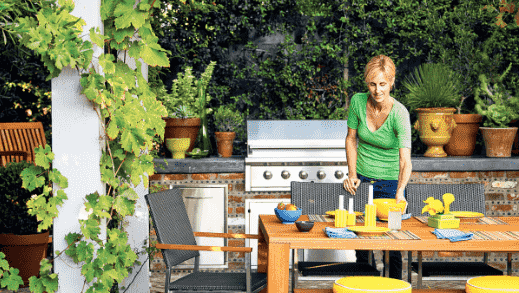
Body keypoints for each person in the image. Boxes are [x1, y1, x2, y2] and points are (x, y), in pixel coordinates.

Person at [343, 55, 412, 279]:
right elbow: (351, 138)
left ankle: (394, 286)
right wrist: (352, 173)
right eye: (372, 84)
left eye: (382, 84)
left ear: (391, 82)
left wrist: (400, 192)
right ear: (367, 83)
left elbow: (405, 160)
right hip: (362, 181)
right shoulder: (357, 102)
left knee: (392, 242)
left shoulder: (400, 113)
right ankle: (365, 285)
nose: (377, 90)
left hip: (391, 184)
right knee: (362, 240)